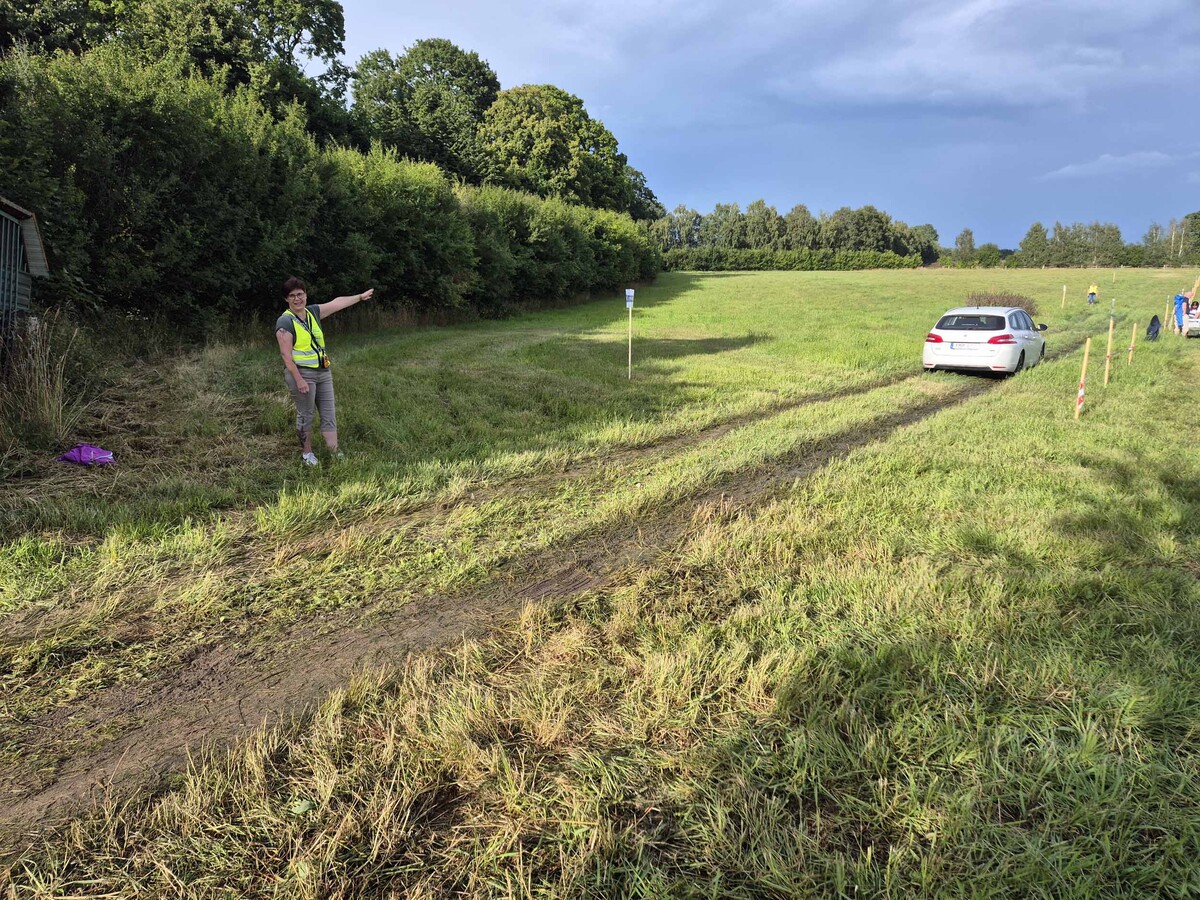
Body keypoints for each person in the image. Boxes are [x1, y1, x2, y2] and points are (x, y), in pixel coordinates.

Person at [275, 276, 374, 466]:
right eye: (292, 296)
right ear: (286, 299)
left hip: (323, 371)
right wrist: (299, 379)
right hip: (302, 374)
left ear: (306, 295)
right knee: (306, 414)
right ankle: (307, 454)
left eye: (300, 294)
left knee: (329, 412)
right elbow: (286, 356)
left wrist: (360, 297)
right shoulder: (285, 321)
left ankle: (333, 450)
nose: (297, 299)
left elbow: (336, 303)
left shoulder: (313, 312)